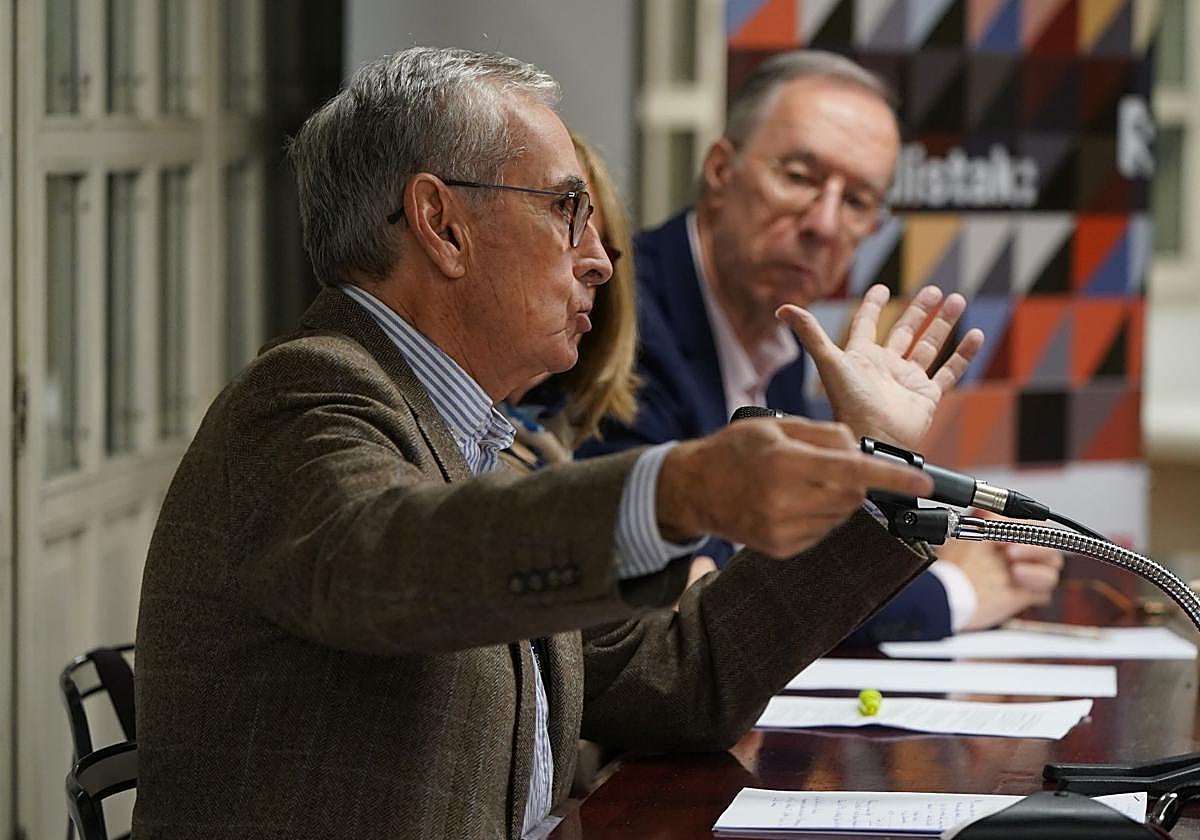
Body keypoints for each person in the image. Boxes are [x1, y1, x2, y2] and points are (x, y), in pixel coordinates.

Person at [133, 47, 978, 840]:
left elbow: (683, 680)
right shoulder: (306, 396)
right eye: (567, 209)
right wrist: (673, 489)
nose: (601, 261)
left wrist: (875, 472)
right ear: (442, 223)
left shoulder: (495, 448)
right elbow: (399, 557)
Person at [580, 49, 1063, 642]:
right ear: (721, 170)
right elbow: (693, 592)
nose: (825, 225)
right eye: (799, 177)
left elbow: (784, 553)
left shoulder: (777, 338)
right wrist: (955, 593)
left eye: (857, 201)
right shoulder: (614, 313)